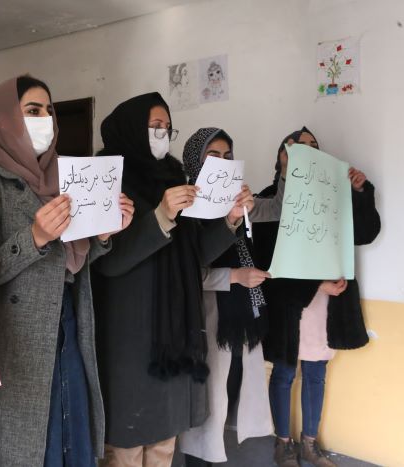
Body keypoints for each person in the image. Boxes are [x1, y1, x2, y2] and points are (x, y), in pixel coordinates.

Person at [0, 75, 134, 467]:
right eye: (32, 111)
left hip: (68, 327)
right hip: (15, 341)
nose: (45, 119)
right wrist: (35, 236)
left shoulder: (68, 180)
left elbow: (73, 261)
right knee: (25, 446)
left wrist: (104, 234)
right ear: (5, 120)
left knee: (71, 435)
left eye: (48, 110)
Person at [90, 95, 252, 467]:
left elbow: (194, 252)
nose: (162, 134)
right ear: (131, 127)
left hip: (173, 329)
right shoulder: (106, 176)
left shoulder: (174, 175)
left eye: (166, 128)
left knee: (164, 441)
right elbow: (108, 262)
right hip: (127, 333)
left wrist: (230, 220)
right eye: (154, 127)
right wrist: (161, 215)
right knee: (126, 444)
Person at [255, 127, 381, 467]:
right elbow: (268, 265)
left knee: (315, 373)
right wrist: (315, 286)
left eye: (313, 147)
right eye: (297, 147)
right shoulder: (268, 200)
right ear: (283, 155)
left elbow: (366, 233)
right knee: (283, 374)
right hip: (288, 305)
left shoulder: (334, 193)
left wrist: (360, 192)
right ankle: (284, 444)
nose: (307, 151)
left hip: (327, 305)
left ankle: (310, 445)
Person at [179, 128, 286, 466]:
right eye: (213, 156)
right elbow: (187, 273)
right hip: (207, 320)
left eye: (227, 156)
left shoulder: (236, 202)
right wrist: (235, 277)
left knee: (228, 397)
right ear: (195, 161)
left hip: (239, 320)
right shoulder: (185, 208)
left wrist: (286, 170)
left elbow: (276, 210)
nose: (222, 163)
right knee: (206, 405)